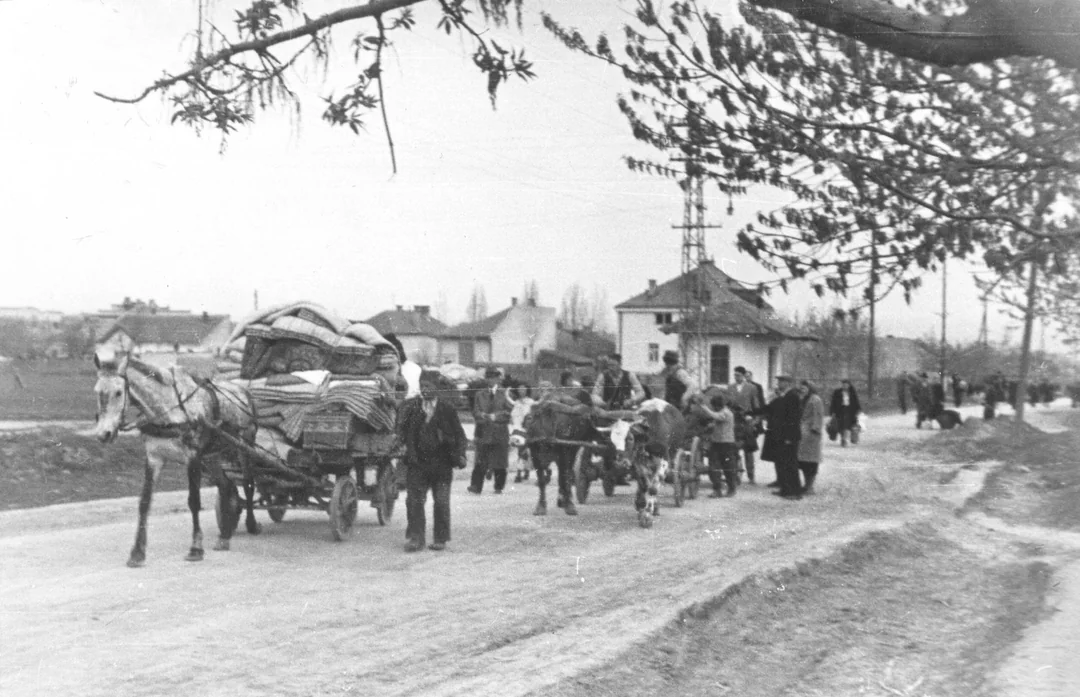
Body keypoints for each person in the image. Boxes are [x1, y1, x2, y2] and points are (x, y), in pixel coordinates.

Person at [398, 377, 467, 552]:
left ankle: (440, 539)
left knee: (441, 502)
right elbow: (403, 432)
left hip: (442, 464)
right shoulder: (413, 409)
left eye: (428, 386)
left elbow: (460, 435)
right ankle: (416, 538)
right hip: (417, 463)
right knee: (414, 501)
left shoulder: (447, 409)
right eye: (422, 386)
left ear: (436, 389)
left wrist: (459, 454)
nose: (424, 390)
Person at [468, 367, 512, 494]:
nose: (491, 380)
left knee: (500, 460)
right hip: (483, 429)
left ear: (498, 379)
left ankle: (498, 486)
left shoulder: (506, 393)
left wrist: (496, 417)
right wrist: (481, 416)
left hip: (500, 430)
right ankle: (476, 486)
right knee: (480, 459)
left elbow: (509, 411)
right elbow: (475, 411)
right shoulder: (479, 394)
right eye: (488, 377)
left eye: (494, 377)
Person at [762, 375, 803, 500]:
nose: (778, 383)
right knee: (782, 463)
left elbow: (793, 418)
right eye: (778, 381)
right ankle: (785, 489)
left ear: (787, 383)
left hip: (789, 436)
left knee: (790, 463)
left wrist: (789, 437)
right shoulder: (783, 396)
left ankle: (795, 492)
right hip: (781, 434)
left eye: (781, 381)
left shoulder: (792, 396)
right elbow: (771, 410)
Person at [693, 391, 738, 497]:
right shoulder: (723, 412)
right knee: (713, 467)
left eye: (714, 406)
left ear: (718, 406)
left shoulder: (726, 413)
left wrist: (704, 407)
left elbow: (717, 416)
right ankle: (717, 489)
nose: (713, 408)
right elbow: (717, 420)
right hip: (716, 443)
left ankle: (732, 489)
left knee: (728, 468)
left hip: (727, 444)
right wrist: (711, 426)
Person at [728, 366, 764, 484]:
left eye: (738, 375)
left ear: (743, 376)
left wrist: (756, 420)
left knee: (748, 449)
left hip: (747, 421)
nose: (736, 377)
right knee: (733, 447)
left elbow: (756, 405)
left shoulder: (751, 388)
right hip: (734, 421)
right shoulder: (731, 387)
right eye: (735, 375)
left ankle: (751, 476)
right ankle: (735, 473)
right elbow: (728, 404)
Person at [797, 380, 824, 495]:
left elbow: (818, 415)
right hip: (803, 433)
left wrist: (816, 429)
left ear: (810, 388)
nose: (802, 390)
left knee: (812, 462)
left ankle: (810, 487)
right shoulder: (804, 399)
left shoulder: (815, 399)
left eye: (805, 388)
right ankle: (806, 485)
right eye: (801, 388)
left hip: (811, 434)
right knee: (803, 461)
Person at [829, 378, 862, 447]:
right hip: (840, 411)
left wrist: (858, 410)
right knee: (841, 425)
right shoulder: (837, 392)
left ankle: (845, 439)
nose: (845, 386)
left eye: (846, 385)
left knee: (847, 425)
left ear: (849, 385)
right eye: (843, 385)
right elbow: (833, 402)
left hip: (850, 411)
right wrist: (832, 412)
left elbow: (856, 402)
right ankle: (843, 438)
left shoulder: (852, 392)